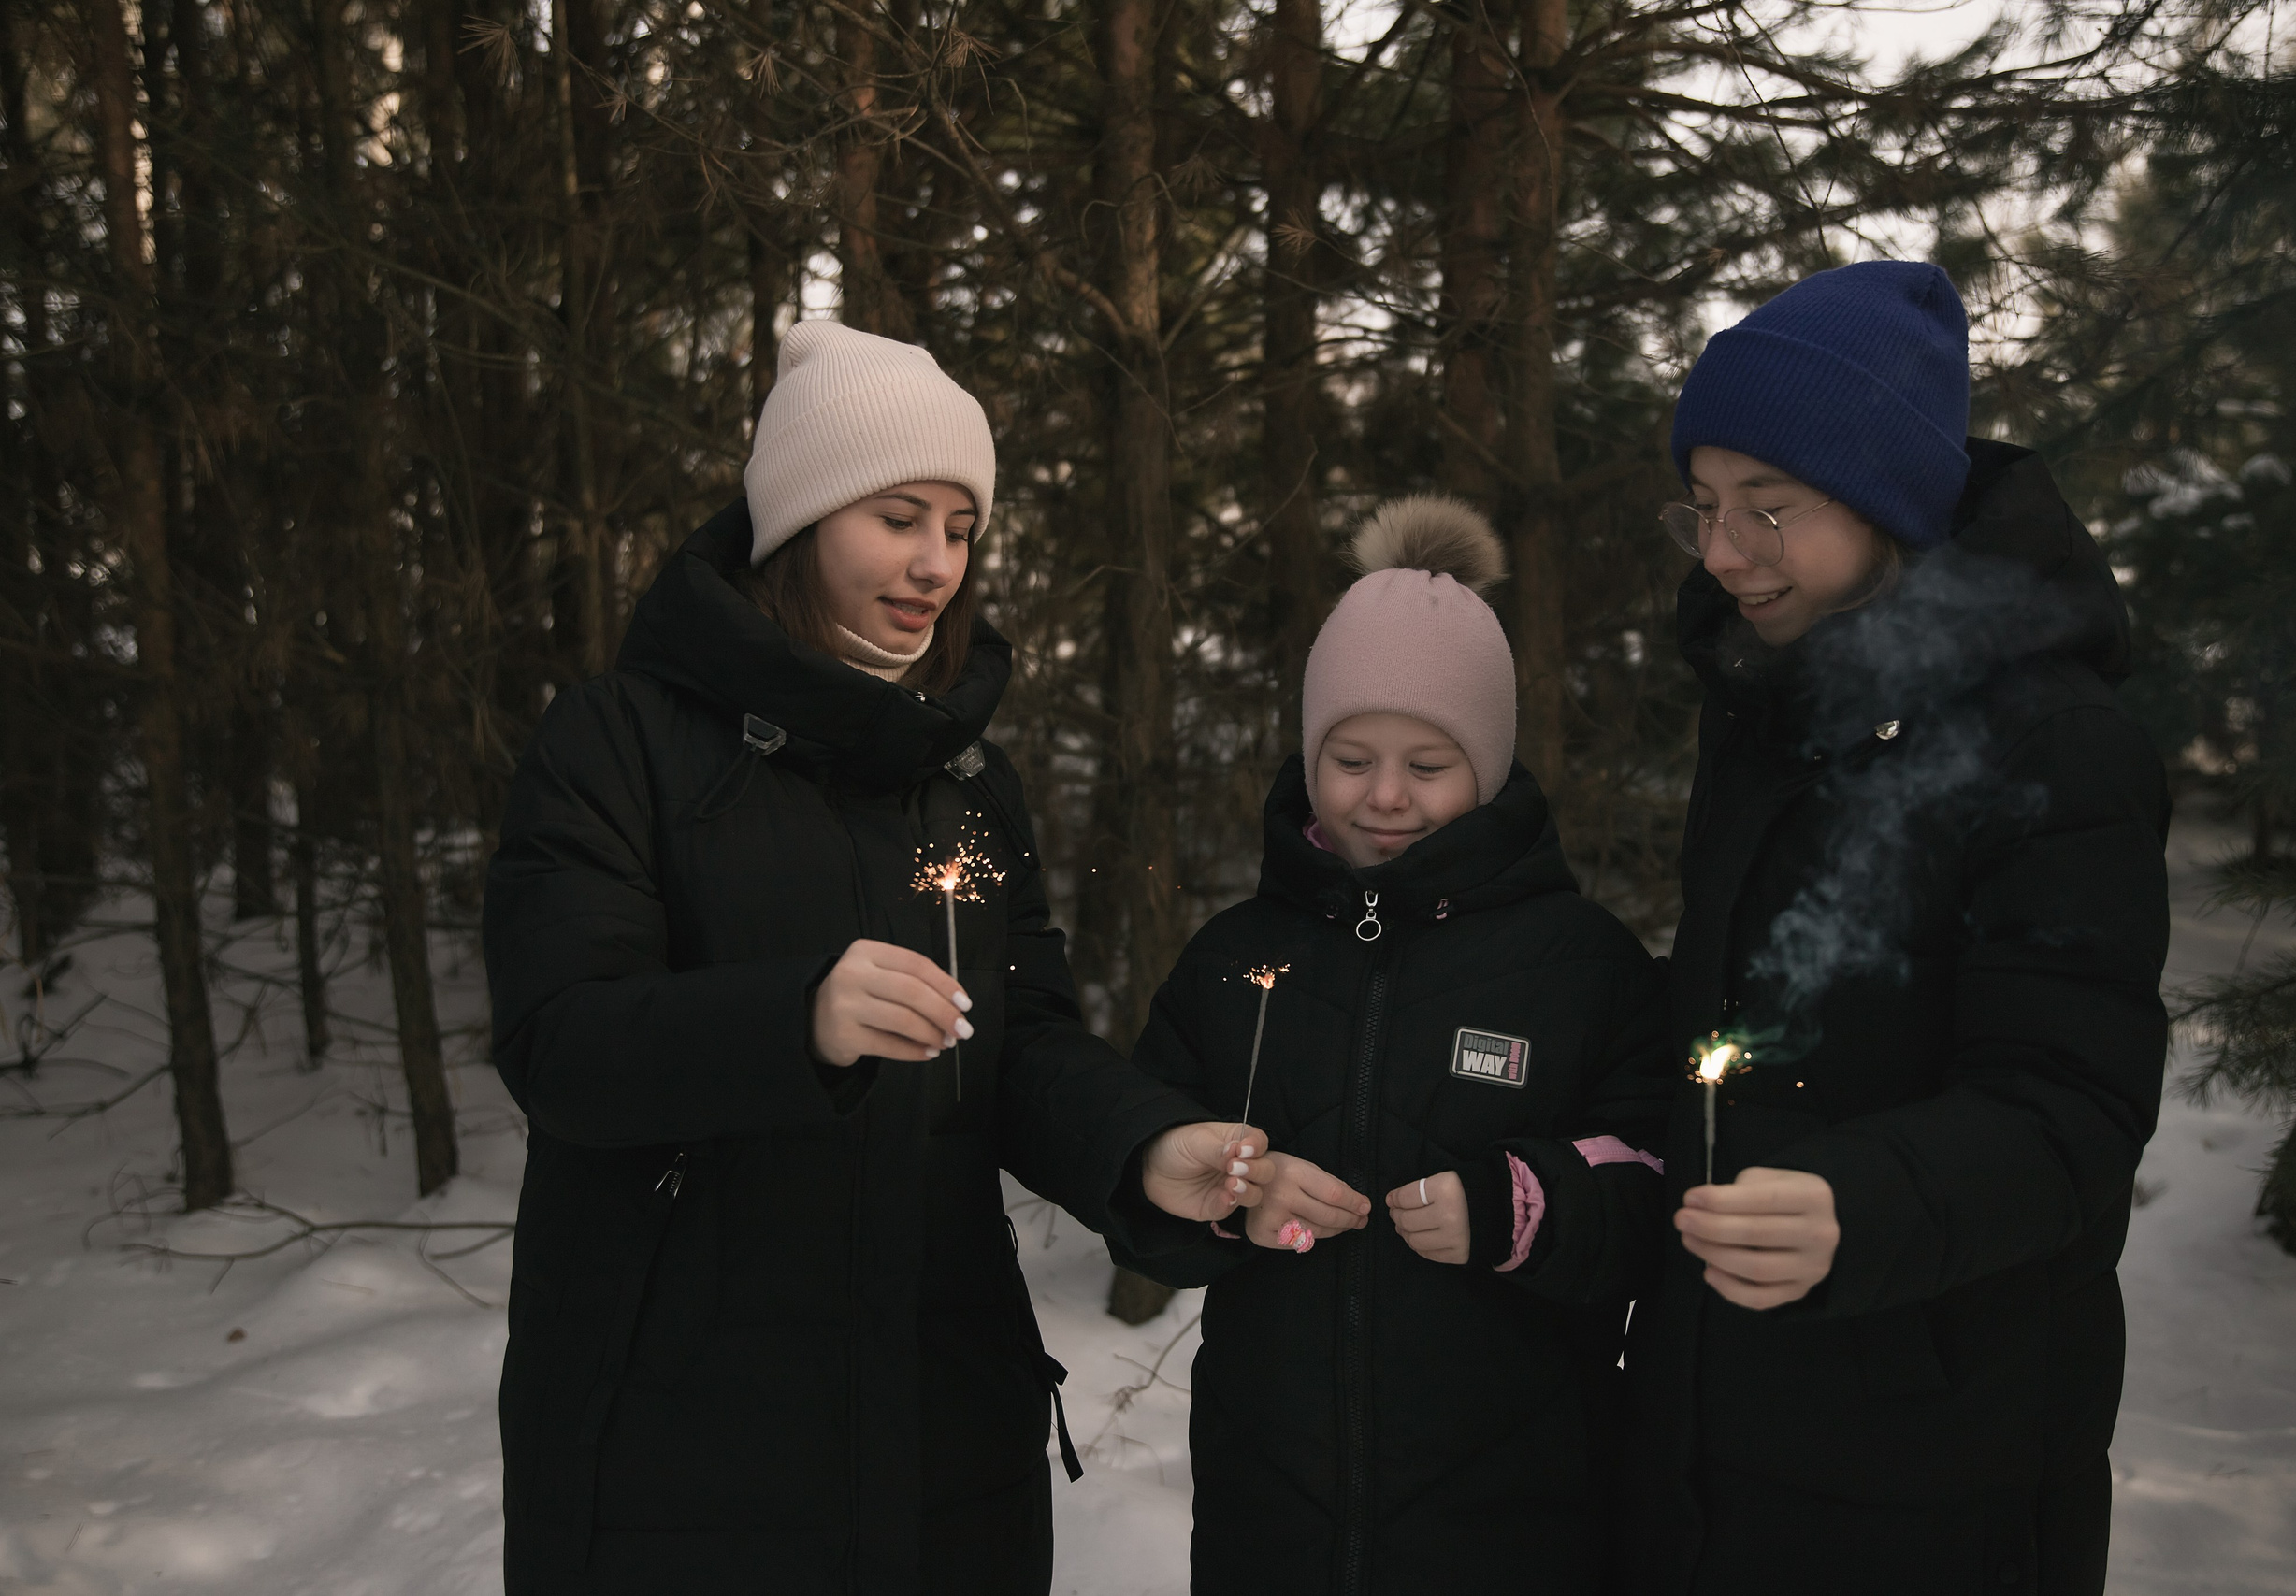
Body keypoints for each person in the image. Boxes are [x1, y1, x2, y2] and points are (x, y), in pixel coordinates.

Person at [481, 321, 1273, 1596]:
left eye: (961, 528)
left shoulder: (962, 780)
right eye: (897, 516)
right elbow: (562, 1044)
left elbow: (1024, 1043)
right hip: (679, 1440)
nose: (935, 565)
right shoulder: (618, 741)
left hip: (942, 1429)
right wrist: (796, 1017)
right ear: (798, 520)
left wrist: (1142, 1146)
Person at [1623, 260, 2171, 1595]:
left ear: (1888, 503)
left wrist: (1862, 1205)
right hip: (1716, 1407)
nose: (1726, 553)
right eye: (1701, 507)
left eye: (1770, 508)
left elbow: (2073, 1104)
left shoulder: (2059, 742)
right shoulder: (1763, 692)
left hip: (1938, 1453)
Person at [1117, 497, 1674, 1595]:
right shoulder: (1236, 957)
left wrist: (1527, 1205)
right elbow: (1140, 1166)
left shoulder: (1584, 963)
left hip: (1518, 1526)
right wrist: (1221, 1188)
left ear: (1492, 765)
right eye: (1348, 757)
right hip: (1270, 1519)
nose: (1383, 797)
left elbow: (1661, 1184)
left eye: (1427, 765)